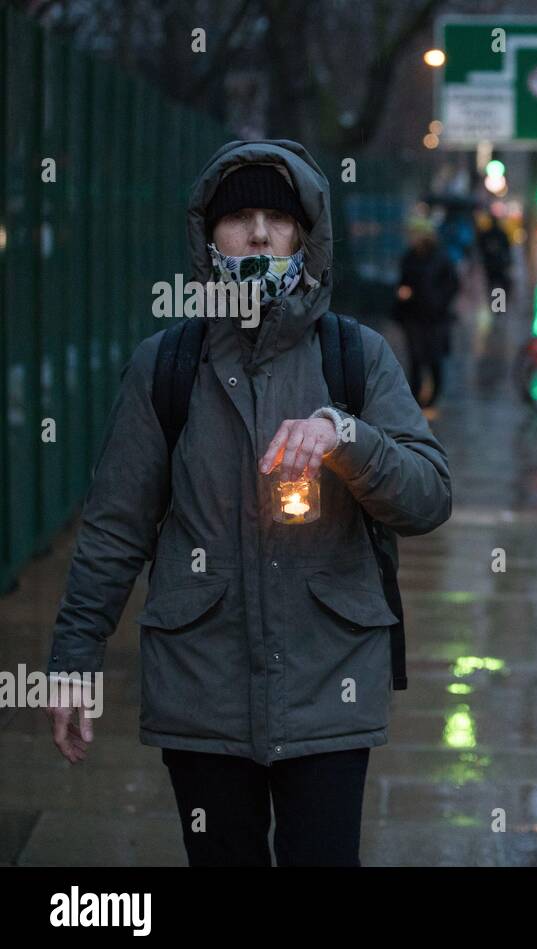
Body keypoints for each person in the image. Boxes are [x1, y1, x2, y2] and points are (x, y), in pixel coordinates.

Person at [43, 139, 452, 866]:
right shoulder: (165, 365)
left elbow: (427, 499)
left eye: (277, 217)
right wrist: (74, 659)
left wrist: (345, 435)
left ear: (306, 234)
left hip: (331, 685)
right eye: (239, 218)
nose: (260, 233)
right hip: (202, 694)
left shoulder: (355, 357)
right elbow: (115, 528)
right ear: (209, 237)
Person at [394, 215, 459, 410]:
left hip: (435, 317)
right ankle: (414, 396)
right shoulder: (409, 256)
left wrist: (438, 302)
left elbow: (452, 284)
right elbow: (403, 281)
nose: (411, 238)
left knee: (433, 357)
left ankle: (434, 396)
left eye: (414, 234)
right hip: (412, 315)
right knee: (415, 357)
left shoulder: (441, 257)